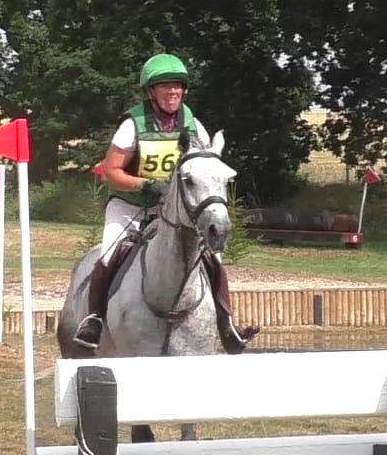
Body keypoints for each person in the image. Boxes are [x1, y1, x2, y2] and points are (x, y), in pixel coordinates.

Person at [68, 52, 258, 353]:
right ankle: (94, 320)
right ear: (151, 92)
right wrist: (147, 184)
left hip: (178, 208)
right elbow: (110, 171)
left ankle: (226, 324)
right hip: (131, 204)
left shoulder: (192, 123)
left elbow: (206, 165)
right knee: (109, 254)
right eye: (165, 86)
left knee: (212, 258)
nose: (173, 92)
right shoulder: (133, 124)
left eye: (177, 86)